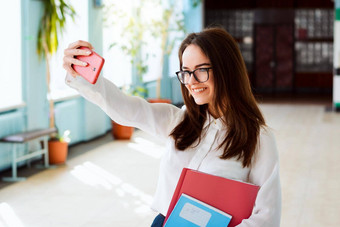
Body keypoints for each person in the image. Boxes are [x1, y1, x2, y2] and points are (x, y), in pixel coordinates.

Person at [63, 27, 281, 226]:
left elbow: (267, 217)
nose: (191, 81)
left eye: (201, 70)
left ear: (227, 69)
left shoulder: (259, 138)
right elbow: (126, 108)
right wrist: (80, 74)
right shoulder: (178, 121)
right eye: (185, 71)